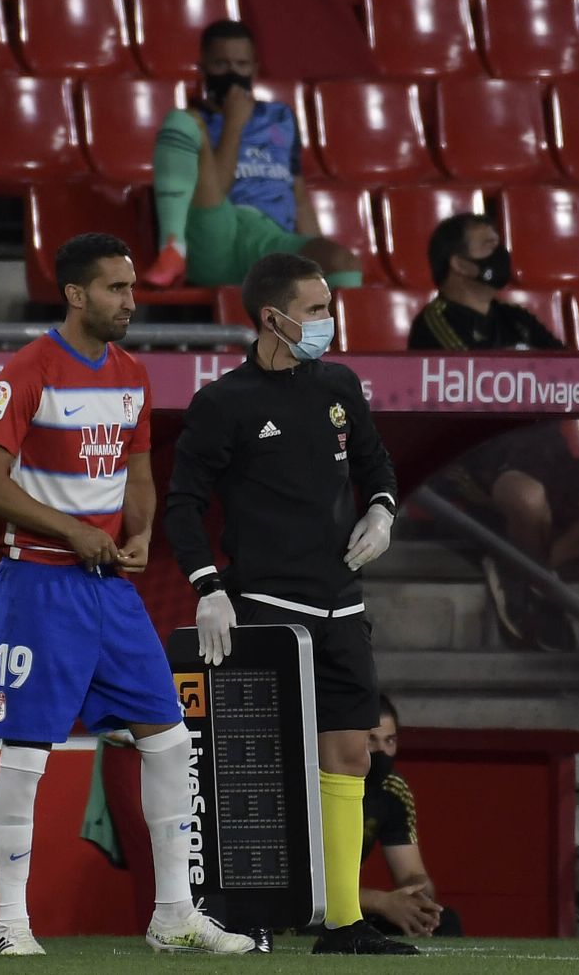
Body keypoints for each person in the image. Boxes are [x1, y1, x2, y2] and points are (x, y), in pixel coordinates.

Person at [0, 233, 256, 958]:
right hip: (38, 582)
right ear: (74, 294)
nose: (131, 301)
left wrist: (144, 531)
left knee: (169, 740)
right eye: (116, 289)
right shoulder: (29, 369)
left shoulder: (132, 374)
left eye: (132, 288)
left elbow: (139, 471)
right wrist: (72, 531)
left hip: (109, 589)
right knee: (28, 751)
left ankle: (172, 915)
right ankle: (10, 923)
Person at [163, 252, 414, 955]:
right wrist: (209, 586)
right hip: (265, 606)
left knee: (350, 754)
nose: (328, 321)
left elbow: (374, 463)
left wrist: (384, 510)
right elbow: (182, 505)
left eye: (328, 306)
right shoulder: (224, 403)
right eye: (316, 309)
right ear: (272, 318)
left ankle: (342, 923)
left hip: (339, 602)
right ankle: (243, 915)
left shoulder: (339, 385)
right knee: (257, 767)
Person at [407, 213, 579, 651]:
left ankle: (524, 574)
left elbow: (572, 375)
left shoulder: (518, 319)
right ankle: (537, 591)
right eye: (488, 246)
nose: (501, 254)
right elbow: (482, 392)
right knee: (526, 499)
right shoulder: (435, 323)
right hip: (480, 455)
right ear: (461, 265)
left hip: (548, 449)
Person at [146, 20, 358, 290]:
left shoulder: (280, 118)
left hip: (271, 238)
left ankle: (336, 332)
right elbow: (217, 191)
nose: (232, 73)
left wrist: (315, 248)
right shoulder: (195, 124)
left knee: (342, 261)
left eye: (241, 64)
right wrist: (233, 125)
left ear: (254, 69)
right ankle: (172, 251)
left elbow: (300, 198)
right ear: (202, 69)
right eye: (220, 64)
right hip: (217, 236)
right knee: (181, 121)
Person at [360, 694, 463, 939]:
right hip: (307, 915)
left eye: (390, 741)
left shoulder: (392, 789)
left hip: (353, 911)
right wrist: (382, 902)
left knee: (444, 923)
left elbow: (410, 873)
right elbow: (308, 890)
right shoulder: (321, 787)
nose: (382, 751)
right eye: (371, 740)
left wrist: (418, 894)